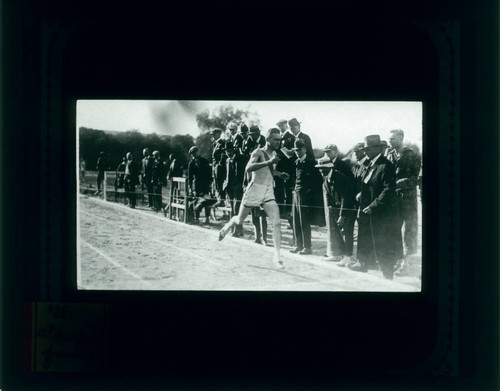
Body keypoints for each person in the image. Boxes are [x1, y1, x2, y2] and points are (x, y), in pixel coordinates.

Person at [218, 128, 290, 268]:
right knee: (239, 220)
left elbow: (270, 171)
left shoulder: (275, 153)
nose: (278, 142)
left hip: (268, 191)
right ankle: (226, 228)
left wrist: (280, 174)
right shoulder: (258, 152)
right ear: (268, 139)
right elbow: (248, 168)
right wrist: (269, 162)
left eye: (280, 139)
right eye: (275, 139)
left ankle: (277, 256)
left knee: (276, 222)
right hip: (254, 189)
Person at [352, 135, 401, 280]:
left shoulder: (386, 165)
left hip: (382, 213)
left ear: (377, 149)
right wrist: (363, 193)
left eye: (368, 149)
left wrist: (373, 206)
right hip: (368, 212)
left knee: (384, 246)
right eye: (364, 149)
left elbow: (388, 190)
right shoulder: (370, 164)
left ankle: (388, 276)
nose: (365, 152)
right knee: (367, 240)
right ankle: (364, 264)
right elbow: (369, 183)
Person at [386, 129, 421, 276]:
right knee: (394, 229)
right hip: (394, 199)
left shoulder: (411, 155)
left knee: (409, 231)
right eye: (389, 139)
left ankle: (408, 264)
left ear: (401, 138)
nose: (390, 141)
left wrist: (404, 182)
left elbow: (417, 177)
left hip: (407, 199)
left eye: (393, 139)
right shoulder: (389, 154)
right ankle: (397, 260)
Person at [317, 144, 357, 263]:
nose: (321, 171)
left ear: (329, 168)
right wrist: (334, 212)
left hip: (349, 206)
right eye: (319, 168)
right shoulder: (325, 180)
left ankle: (348, 257)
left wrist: (342, 215)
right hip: (338, 208)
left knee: (348, 231)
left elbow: (346, 198)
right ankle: (341, 254)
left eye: (323, 169)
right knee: (341, 231)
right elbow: (329, 197)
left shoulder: (340, 178)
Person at [290, 139, 317, 255]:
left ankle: (307, 246)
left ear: (305, 149)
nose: (297, 152)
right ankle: (298, 245)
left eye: (299, 150)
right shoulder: (296, 162)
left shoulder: (311, 162)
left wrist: (308, 193)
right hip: (296, 193)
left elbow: (316, 180)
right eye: (295, 150)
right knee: (296, 220)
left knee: (304, 221)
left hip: (305, 195)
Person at [223, 142, 246, 236]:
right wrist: (225, 185)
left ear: (234, 150)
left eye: (230, 151)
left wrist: (243, 184)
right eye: (227, 151)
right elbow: (226, 174)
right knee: (232, 209)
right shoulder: (227, 160)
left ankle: (238, 229)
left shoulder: (240, 158)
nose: (229, 153)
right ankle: (234, 229)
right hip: (230, 187)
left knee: (237, 208)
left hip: (238, 186)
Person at [274, 119, 296, 220]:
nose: (280, 128)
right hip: (279, 166)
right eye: (279, 126)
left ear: (286, 126)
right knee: (279, 188)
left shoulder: (291, 137)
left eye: (282, 126)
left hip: (288, 166)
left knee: (288, 189)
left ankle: (288, 211)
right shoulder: (279, 137)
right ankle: (280, 210)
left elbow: (293, 153)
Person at [187, 146, 214, 224]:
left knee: (207, 201)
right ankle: (197, 217)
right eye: (192, 154)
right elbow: (190, 177)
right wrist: (190, 187)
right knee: (196, 200)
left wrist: (210, 184)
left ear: (198, 152)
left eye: (195, 152)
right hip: (197, 185)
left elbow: (209, 173)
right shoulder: (191, 164)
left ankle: (207, 218)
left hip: (205, 184)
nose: (194, 155)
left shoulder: (204, 161)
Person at [210, 128, 227, 207]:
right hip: (215, 166)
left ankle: (222, 200)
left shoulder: (222, 143)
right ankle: (219, 199)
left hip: (219, 167)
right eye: (212, 134)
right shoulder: (215, 143)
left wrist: (219, 164)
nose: (212, 136)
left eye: (214, 134)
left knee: (220, 183)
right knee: (216, 184)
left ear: (218, 134)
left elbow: (223, 155)